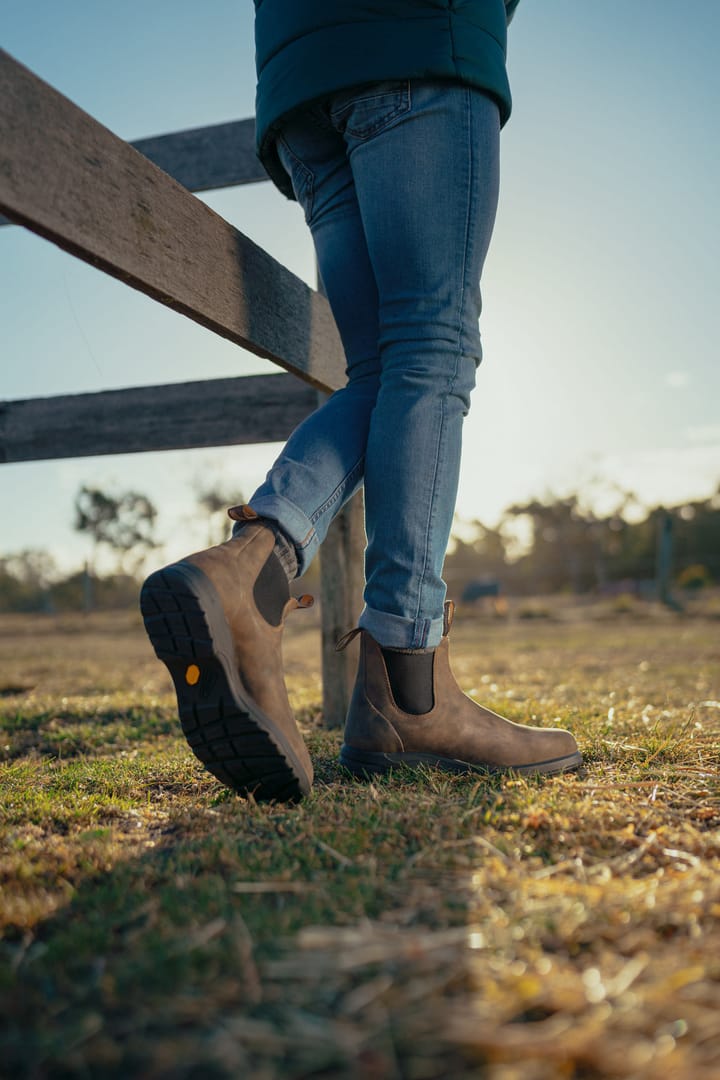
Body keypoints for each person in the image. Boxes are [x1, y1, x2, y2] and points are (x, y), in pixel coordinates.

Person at [140, 0, 582, 802]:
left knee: (381, 367)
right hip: (418, 35)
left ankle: (253, 570)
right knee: (433, 350)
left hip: (301, 79)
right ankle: (411, 688)